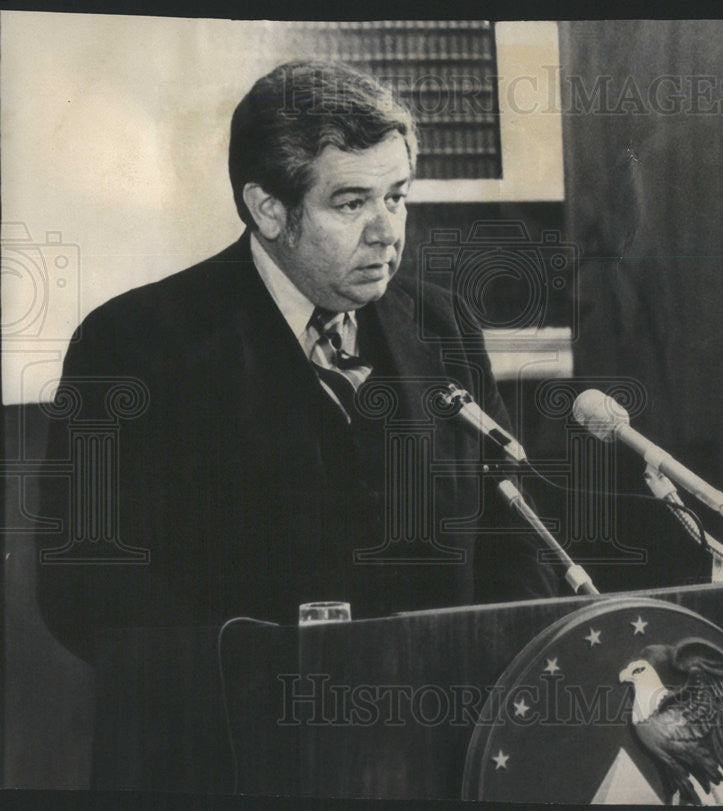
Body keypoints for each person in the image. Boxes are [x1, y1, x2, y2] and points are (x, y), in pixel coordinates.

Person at [36, 60, 557, 664]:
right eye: (351, 203)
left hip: (441, 731)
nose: (386, 231)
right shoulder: (132, 344)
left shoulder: (442, 326)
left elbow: (516, 546)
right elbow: (84, 591)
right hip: (243, 740)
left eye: (397, 197)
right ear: (269, 210)